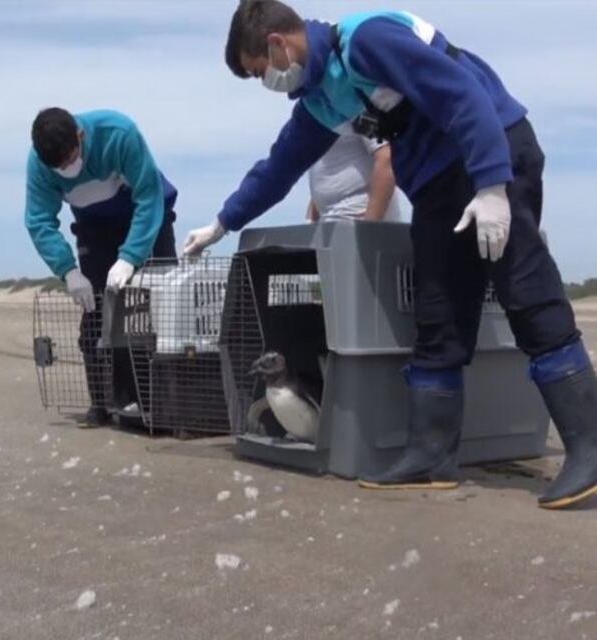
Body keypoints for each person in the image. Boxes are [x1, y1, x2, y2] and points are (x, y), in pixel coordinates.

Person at [183, 1, 597, 509]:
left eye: (258, 72)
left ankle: (589, 448)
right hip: (437, 184)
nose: (265, 81)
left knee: (525, 291)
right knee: (438, 312)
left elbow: (462, 93)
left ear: (277, 45)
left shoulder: (367, 40)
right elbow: (279, 166)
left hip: (490, 151)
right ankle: (430, 456)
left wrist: (492, 184)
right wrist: (222, 223)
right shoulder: (321, 96)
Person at [25, 107, 178, 427]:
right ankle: (107, 400)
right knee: (97, 314)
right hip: (95, 226)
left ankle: (168, 399)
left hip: (147, 216)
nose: (67, 169)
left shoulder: (118, 134)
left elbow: (149, 197)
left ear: (80, 137)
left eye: (69, 159)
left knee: (163, 308)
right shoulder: (40, 165)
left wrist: (130, 257)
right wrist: (68, 271)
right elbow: (39, 221)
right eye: (58, 167)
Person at [306, 133, 400, 222]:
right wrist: (312, 221)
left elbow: (386, 157)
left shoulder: (365, 115)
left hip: (357, 221)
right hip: (327, 224)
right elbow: (323, 169)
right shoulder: (315, 121)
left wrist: (369, 227)